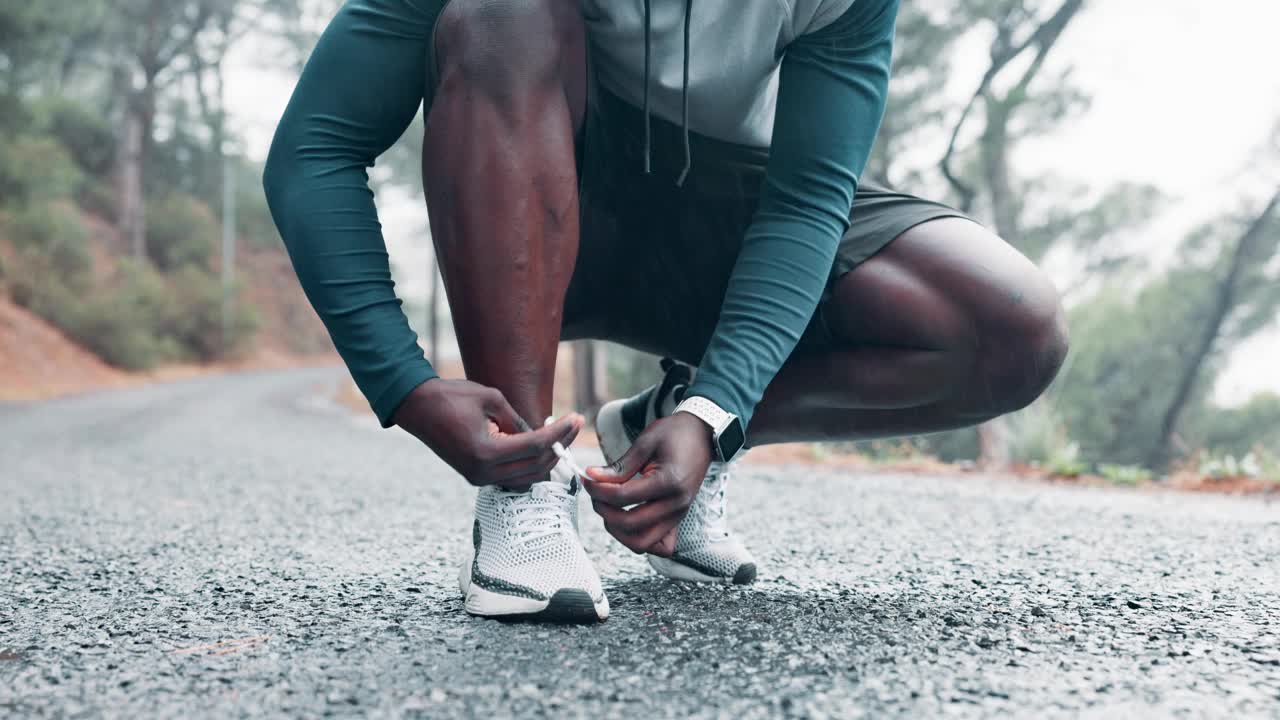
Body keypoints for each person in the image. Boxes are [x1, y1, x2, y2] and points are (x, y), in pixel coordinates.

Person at [263, 0, 1069, 623]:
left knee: (1007, 329)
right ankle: (524, 484)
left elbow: (806, 203)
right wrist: (403, 385)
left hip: (727, 226)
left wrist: (716, 411)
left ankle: (669, 428)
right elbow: (313, 149)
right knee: (500, 16)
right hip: (538, 209)